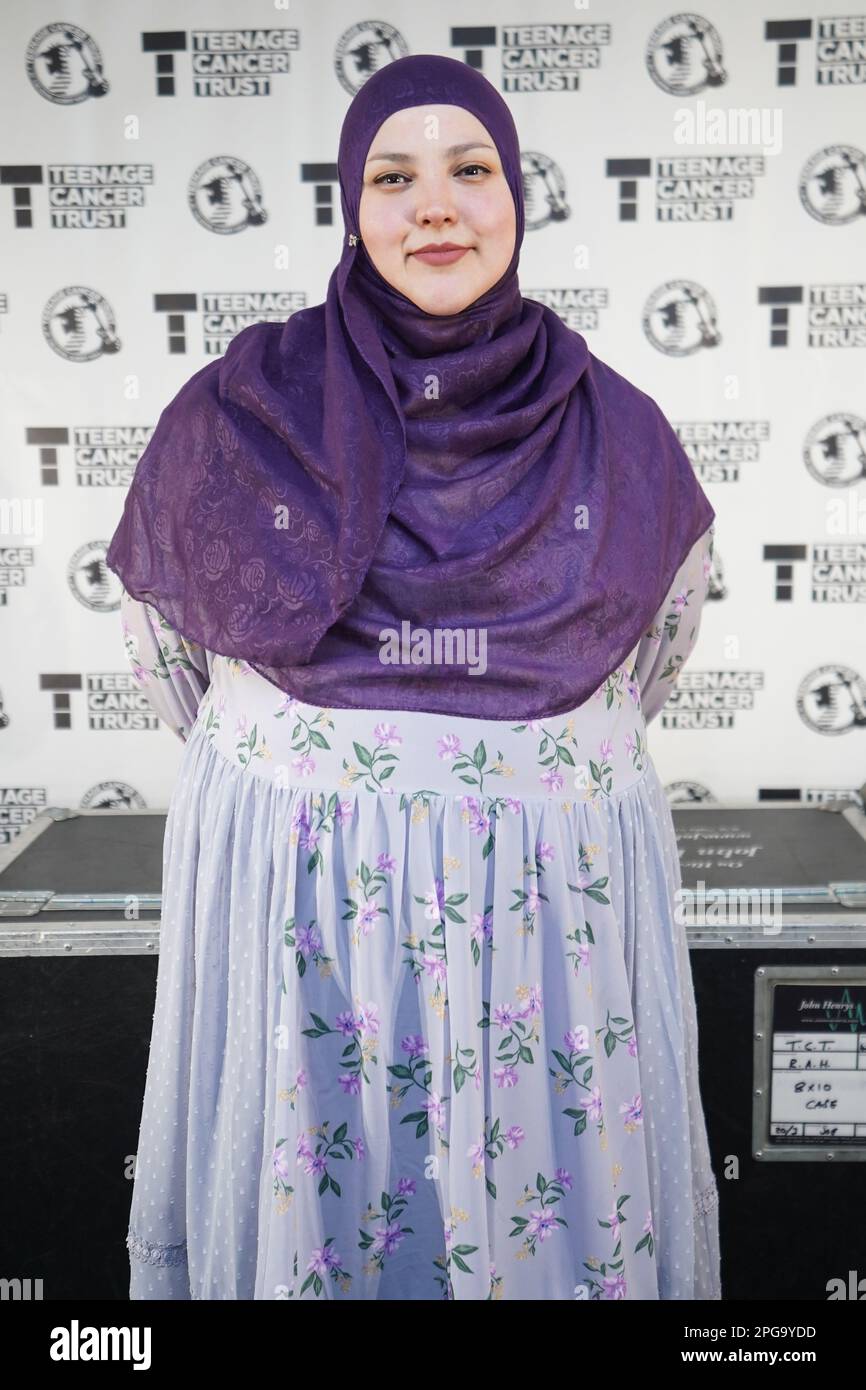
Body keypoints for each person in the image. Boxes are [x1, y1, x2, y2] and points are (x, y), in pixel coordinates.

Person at [108, 53, 720, 1301]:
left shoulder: (627, 439)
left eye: (469, 169)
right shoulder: (230, 426)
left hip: (542, 953)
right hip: (309, 938)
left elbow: (646, 662)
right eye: (393, 175)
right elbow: (175, 671)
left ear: (516, 197)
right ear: (351, 203)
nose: (433, 206)